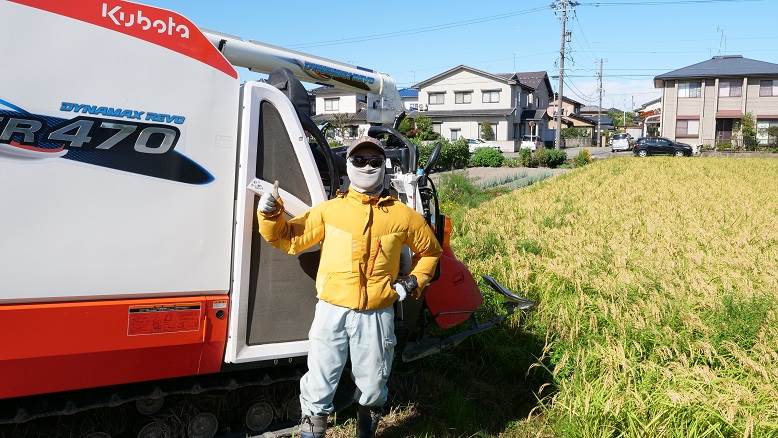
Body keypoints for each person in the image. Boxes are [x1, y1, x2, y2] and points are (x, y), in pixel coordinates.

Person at [251, 137, 441, 438]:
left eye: (375, 161)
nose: (367, 166)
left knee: (374, 385)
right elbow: (287, 238)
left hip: (377, 315)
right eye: (360, 160)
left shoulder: (404, 216)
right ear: (349, 165)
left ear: (384, 167)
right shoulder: (329, 211)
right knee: (319, 383)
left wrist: (411, 283)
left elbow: (430, 252)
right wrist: (270, 213)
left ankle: (366, 431)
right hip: (331, 312)